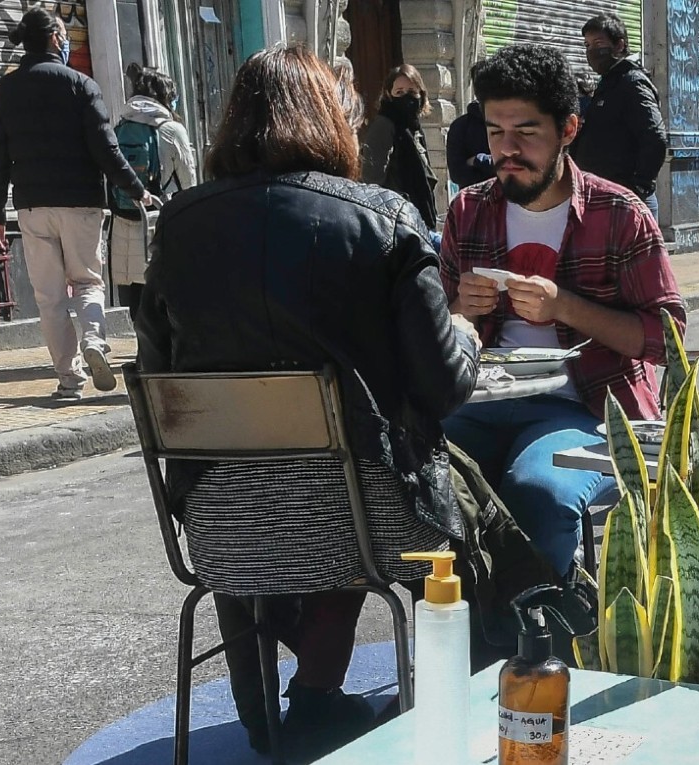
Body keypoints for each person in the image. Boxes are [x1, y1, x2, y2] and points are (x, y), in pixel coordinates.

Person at [135, 44, 478, 762]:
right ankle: (469, 706)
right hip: (362, 525)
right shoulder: (384, 216)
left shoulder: (179, 225)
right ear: (333, 120)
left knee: (324, 486)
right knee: (420, 504)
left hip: (221, 526)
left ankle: (294, 708)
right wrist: (468, 334)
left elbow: (158, 379)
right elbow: (443, 384)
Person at [440, 43, 685, 580]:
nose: (508, 150)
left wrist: (567, 307)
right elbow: (436, 331)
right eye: (494, 132)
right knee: (418, 486)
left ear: (568, 129)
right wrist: (459, 307)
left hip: (584, 407)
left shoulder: (619, 213)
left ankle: (533, 643)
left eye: (526, 133)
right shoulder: (468, 209)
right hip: (477, 401)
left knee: (538, 493)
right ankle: (472, 642)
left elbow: (668, 340)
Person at [0, 5, 152, 401]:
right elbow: (106, 150)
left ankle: (68, 380)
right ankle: (94, 340)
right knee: (88, 282)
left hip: (32, 208)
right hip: (81, 205)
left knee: (50, 298)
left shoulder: (4, 90)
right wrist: (136, 189)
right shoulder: (81, 85)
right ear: (56, 39)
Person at [109, 63, 197, 309]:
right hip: (160, 218)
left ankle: (142, 345)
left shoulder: (118, 129)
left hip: (123, 218)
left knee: (133, 296)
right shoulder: (171, 130)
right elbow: (189, 183)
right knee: (163, 292)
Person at [570, 12, 669, 221]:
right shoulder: (609, 83)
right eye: (587, 45)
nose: (592, 51)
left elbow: (655, 137)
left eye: (598, 43)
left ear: (620, 45)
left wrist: (638, 189)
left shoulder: (631, 82)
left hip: (626, 204)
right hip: (604, 200)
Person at [360, 64, 439, 232]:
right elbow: (371, 179)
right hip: (396, 223)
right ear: (389, 95)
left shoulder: (414, 128)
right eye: (399, 92)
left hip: (418, 220)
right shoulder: (384, 125)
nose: (406, 98)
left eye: (411, 92)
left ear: (421, 94)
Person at [446, 100, 494, 189]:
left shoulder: (513, 122)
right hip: (475, 199)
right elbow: (457, 175)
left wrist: (478, 160)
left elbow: (513, 163)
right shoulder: (461, 126)